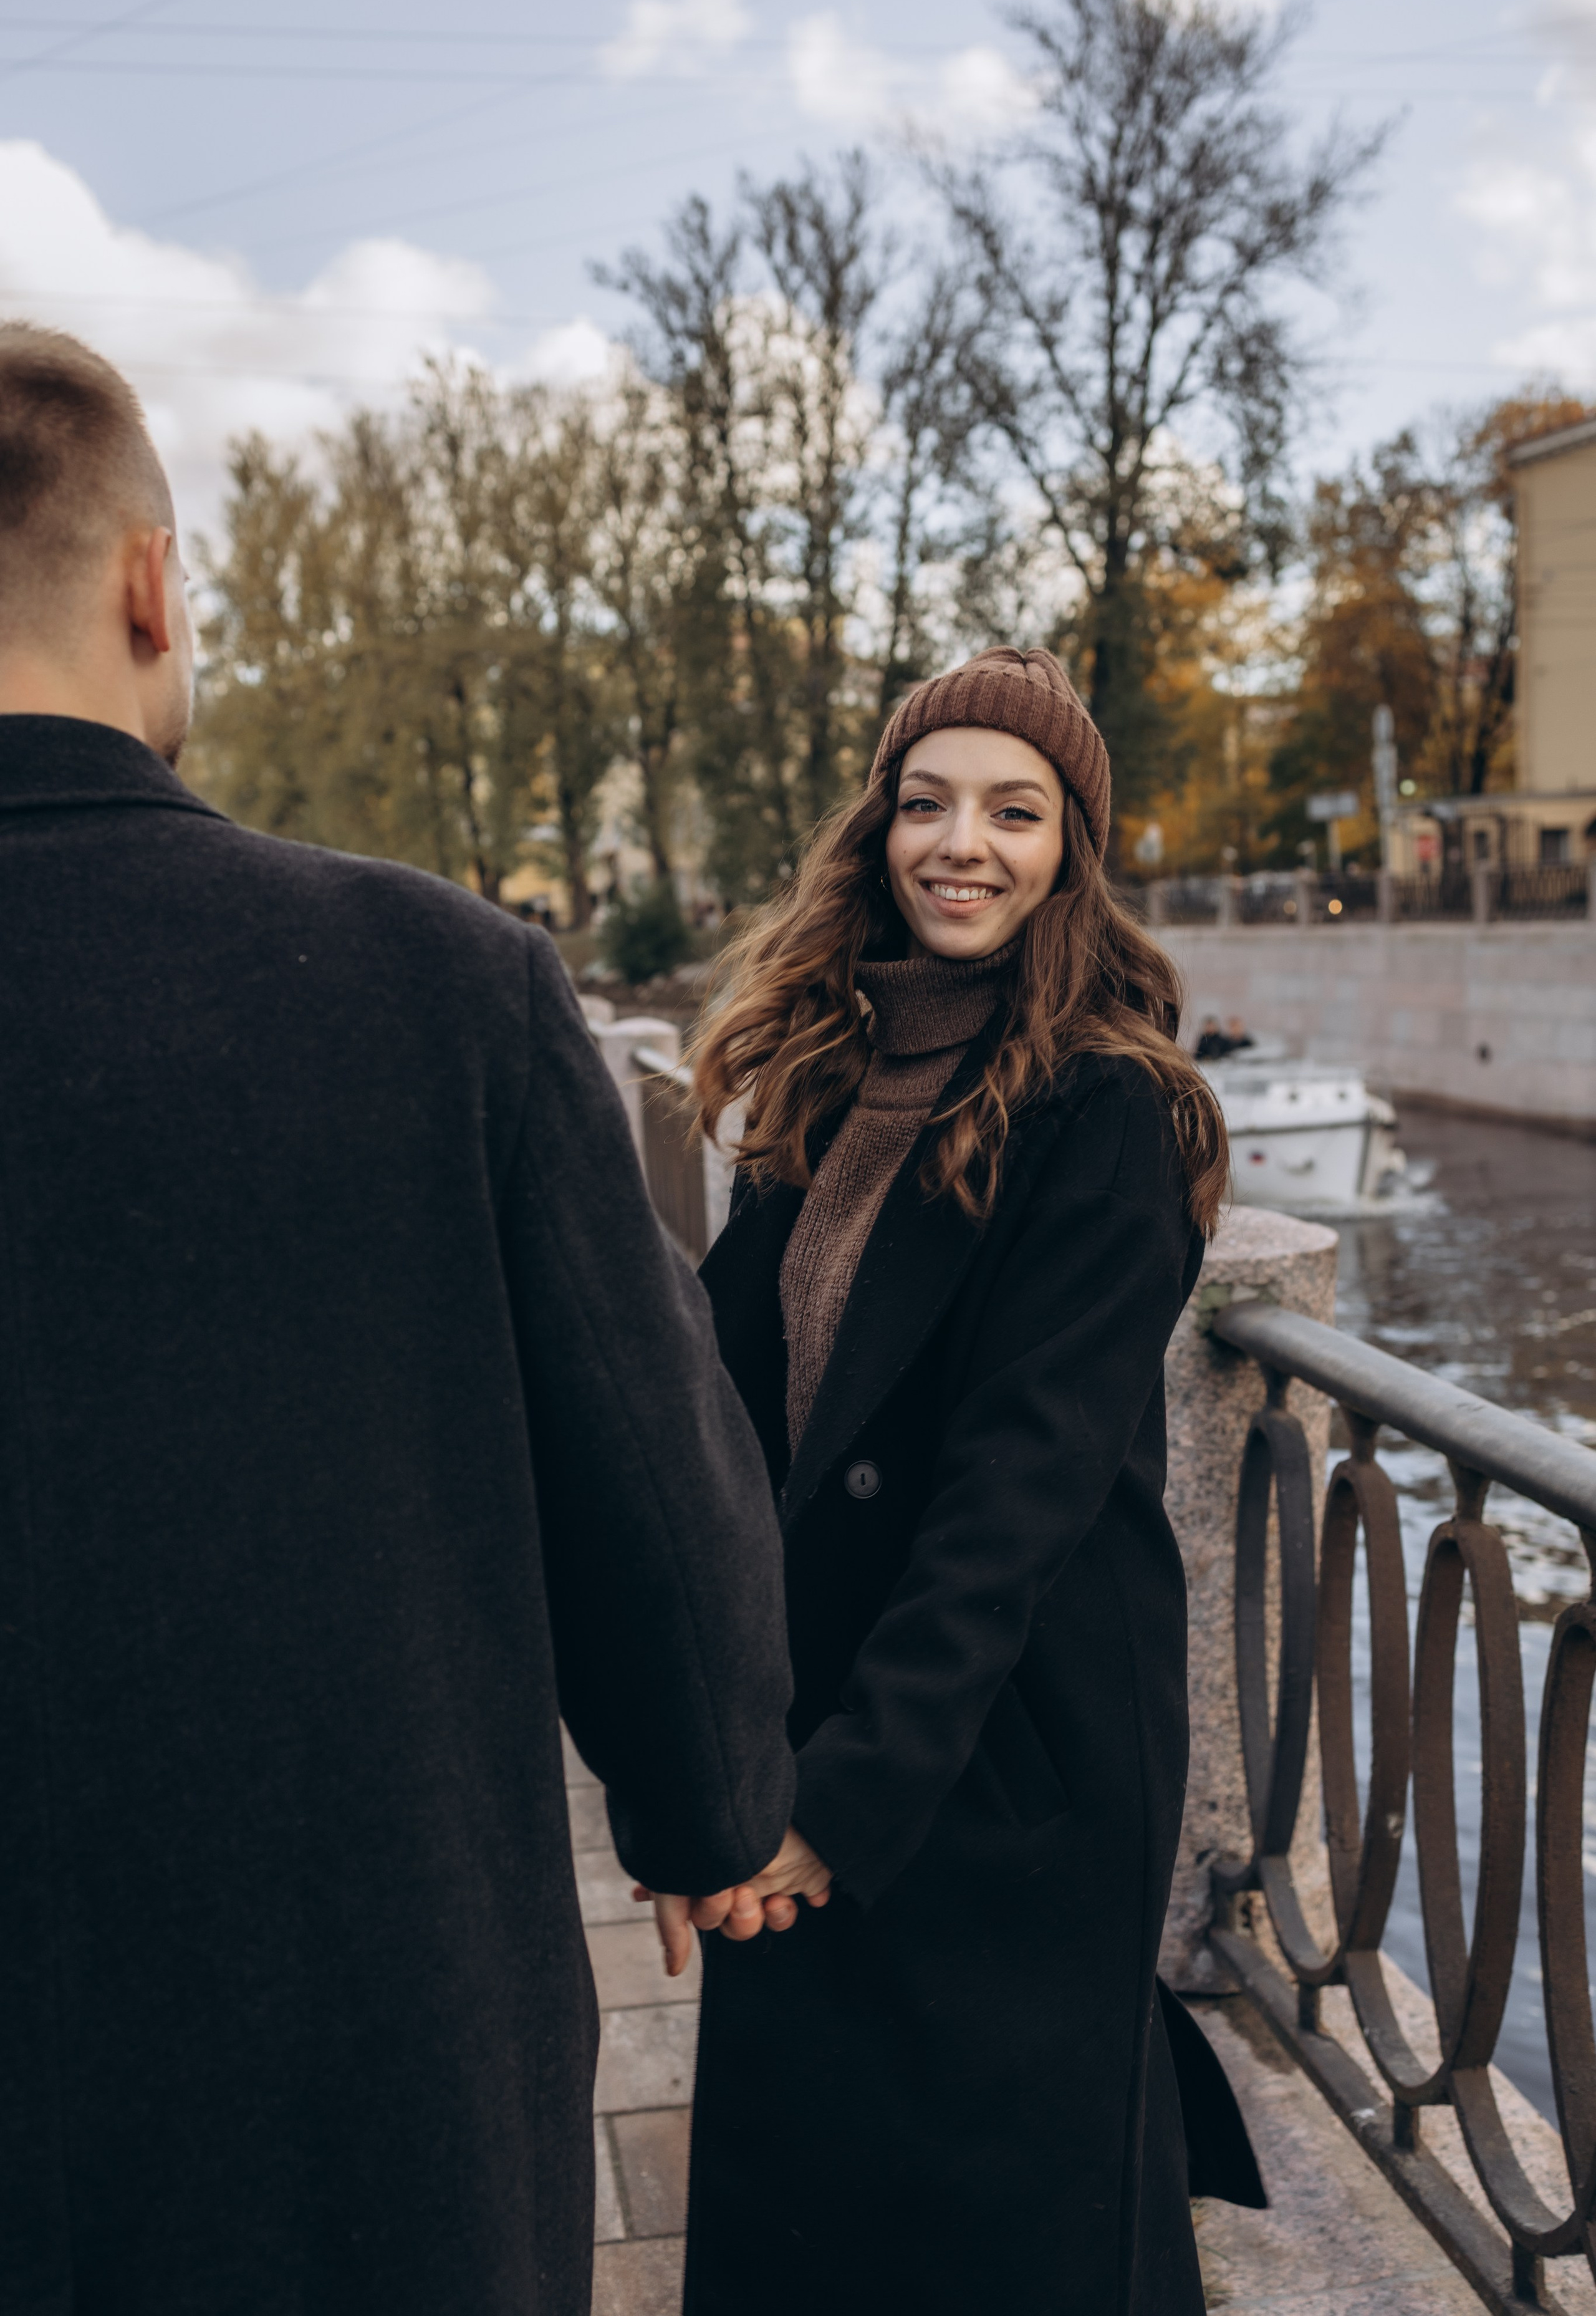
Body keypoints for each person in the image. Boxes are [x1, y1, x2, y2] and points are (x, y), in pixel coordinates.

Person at [0, 324, 796, 2314]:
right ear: (151, 584)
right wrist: (709, 1801)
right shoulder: (440, 984)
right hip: (359, 2063)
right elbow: (650, 1462)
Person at [664, 647, 1264, 2315]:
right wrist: (693, 1754)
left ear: (1072, 849)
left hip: (1006, 1737)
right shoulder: (828, 1067)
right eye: (927, 804)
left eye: (1015, 812)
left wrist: (839, 1801)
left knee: (1001, 2214)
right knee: (814, 2196)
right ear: (879, 827)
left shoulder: (1110, 1107)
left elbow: (1023, 1495)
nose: (962, 846)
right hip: (822, 1698)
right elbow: (721, 1407)